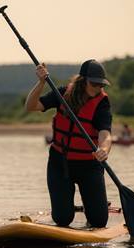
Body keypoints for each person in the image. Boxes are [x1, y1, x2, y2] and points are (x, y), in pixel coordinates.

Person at [25, 59, 112, 228]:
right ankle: (67, 207)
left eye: (102, 85)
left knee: (99, 222)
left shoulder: (102, 103)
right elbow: (31, 106)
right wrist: (41, 82)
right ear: (82, 81)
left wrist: (104, 149)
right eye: (94, 84)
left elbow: (105, 133)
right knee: (63, 219)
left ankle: (91, 206)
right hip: (60, 163)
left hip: (89, 166)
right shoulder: (63, 94)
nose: (98, 88)